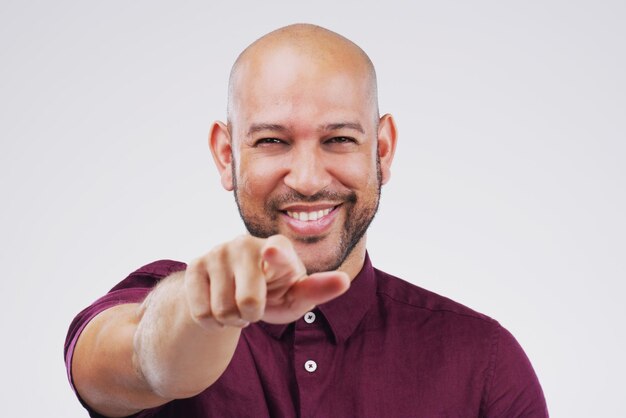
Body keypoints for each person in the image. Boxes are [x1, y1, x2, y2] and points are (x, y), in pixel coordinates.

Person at [65, 24, 548, 417]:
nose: (309, 178)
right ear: (226, 156)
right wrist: (201, 315)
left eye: (338, 139)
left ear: (382, 150)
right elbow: (139, 361)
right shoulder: (158, 297)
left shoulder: (484, 360)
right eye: (272, 141)